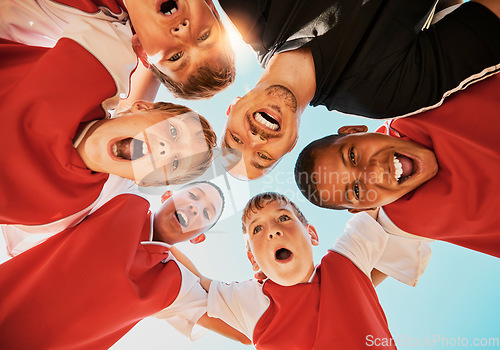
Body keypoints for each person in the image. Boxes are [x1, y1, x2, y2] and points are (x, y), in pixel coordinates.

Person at [219, 0, 500, 179]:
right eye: (264, 157)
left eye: (237, 139)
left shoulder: (249, 9)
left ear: (232, 106)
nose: (255, 140)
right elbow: (488, 17)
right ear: (291, 144)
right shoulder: (384, 95)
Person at [0, 38, 217, 251]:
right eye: (173, 132)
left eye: (176, 162)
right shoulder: (90, 70)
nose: (166, 149)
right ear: (141, 107)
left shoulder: (65, 213)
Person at [0, 181, 252, 348]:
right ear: (168, 195)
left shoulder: (175, 285)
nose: (196, 208)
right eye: (193, 195)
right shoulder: (124, 198)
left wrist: (202, 279)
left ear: (198, 237)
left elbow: (246, 332)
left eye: (206, 214)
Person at [179, 192, 430, 349]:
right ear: (253, 260)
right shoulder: (250, 300)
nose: (273, 231)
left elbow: (383, 198)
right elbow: (190, 280)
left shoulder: (346, 260)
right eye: (257, 229)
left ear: (311, 234)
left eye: (284, 218)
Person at [294, 74, 500, 258]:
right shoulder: (402, 221)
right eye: (356, 190)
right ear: (366, 207)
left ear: (354, 130)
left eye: (353, 155)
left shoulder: (421, 99)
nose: (373, 172)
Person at [0, 0, 235, 101]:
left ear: (141, 51)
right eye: (204, 36)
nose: (183, 32)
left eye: (175, 57)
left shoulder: (94, 21)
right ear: (211, 7)